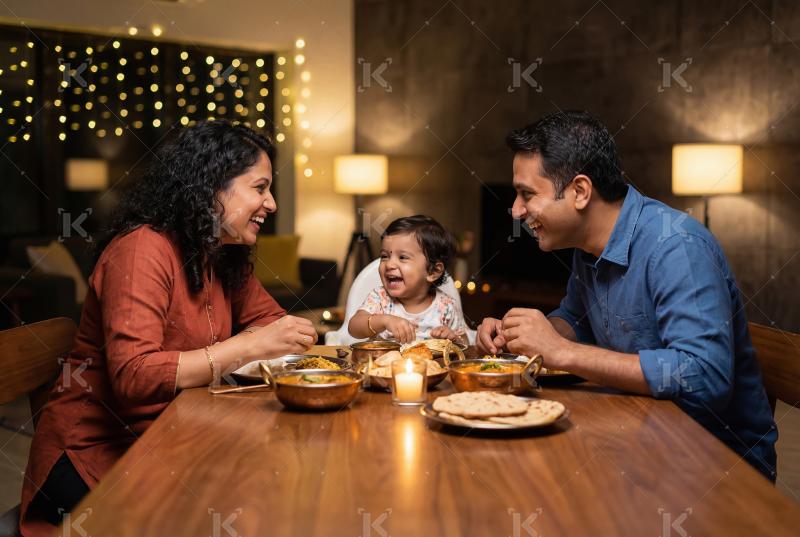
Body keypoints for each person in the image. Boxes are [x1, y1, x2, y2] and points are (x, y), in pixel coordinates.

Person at [20, 121, 318, 536]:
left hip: (178, 436)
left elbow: (273, 323)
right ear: (212, 185)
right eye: (259, 187)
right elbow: (135, 376)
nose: (271, 204)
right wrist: (248, 347)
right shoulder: (143, 249)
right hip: (99, 457)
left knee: (280, 488)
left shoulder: (221, 252)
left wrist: (277, 336)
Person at [476, 111, 777, 480]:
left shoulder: (676, 246)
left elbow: (704, 377)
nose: (516, 210)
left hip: (714, 464)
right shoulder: (587, 248)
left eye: (526, 194)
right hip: (635, 434)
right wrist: (523, 335)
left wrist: (562, 352)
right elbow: (575, 320)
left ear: (581, 191)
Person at [348, 215, 467, 344]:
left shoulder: (447, 307)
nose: (389, 264)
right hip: (383, 363)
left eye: (403, 257)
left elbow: (465, 344)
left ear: (433, 271)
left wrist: (453, 339)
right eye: (384, 256)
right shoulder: (380, 298)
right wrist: (384, 320)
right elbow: (353, 327)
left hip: (431, 364)